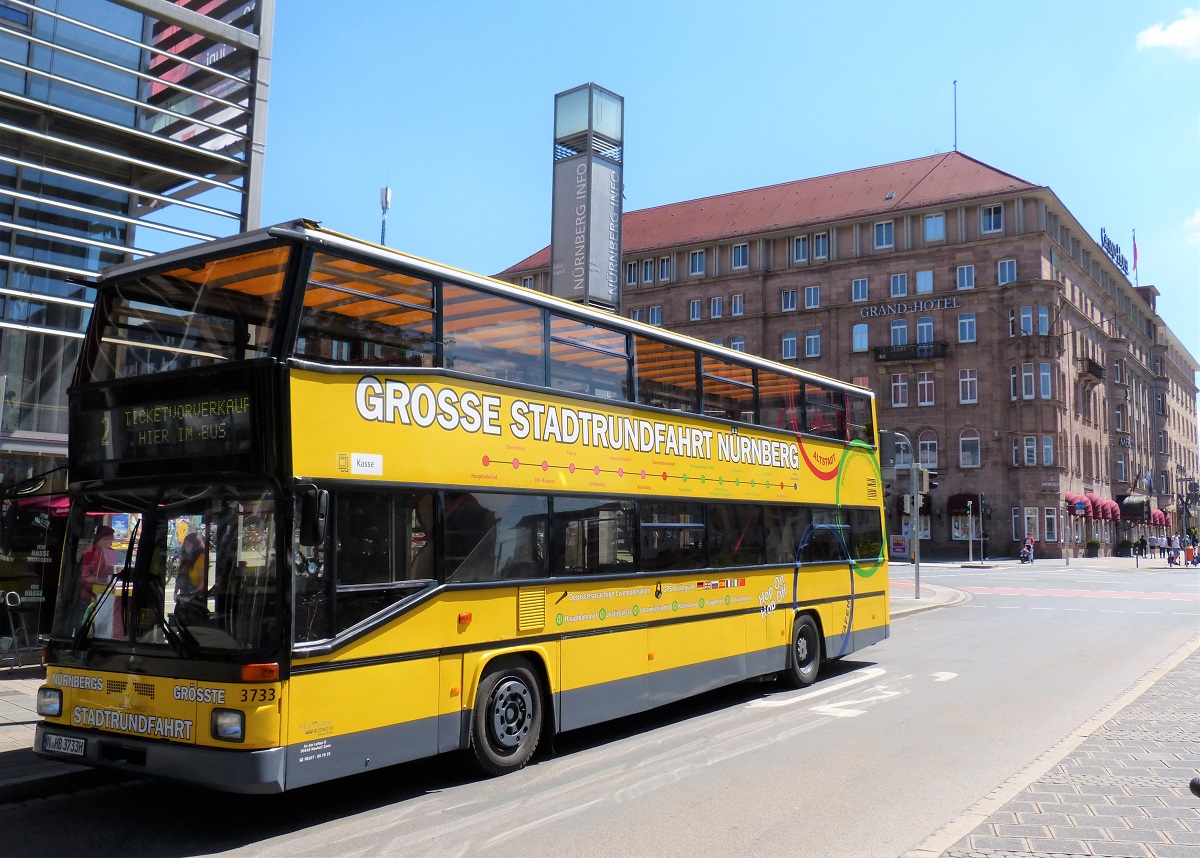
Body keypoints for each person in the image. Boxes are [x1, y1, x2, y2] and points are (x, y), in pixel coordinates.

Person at [80, 525, 114, 600]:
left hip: (106, 594)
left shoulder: (111, 552)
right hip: (89, 595)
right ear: (105, 537)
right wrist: (103, 580)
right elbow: (86, 576)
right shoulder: (89, 553)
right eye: (111, 537)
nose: (113, 540)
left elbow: (112, 571)